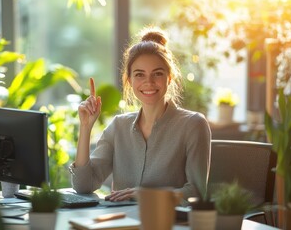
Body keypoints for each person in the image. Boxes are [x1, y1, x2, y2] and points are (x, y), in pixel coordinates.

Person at [69, 26, 211, 204]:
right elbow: (83, 185)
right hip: (120, 222)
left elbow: (196, 192)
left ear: (169, 77)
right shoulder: (118, 126)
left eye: (157, 74)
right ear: (129, 80)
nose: (149, 82)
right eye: (139, 74)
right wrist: (85, 127)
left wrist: (146, 194)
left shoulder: (193, 124)